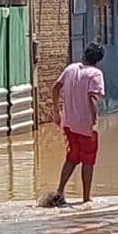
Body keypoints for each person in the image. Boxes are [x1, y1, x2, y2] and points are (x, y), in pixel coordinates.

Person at [49, 45, 106, 206]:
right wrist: (94, 124)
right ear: (98, 61)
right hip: (85, 125)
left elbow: (55, 88)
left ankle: (60, 191)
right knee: (88, 159)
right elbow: (92, 99)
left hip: (68, 124)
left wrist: (56, 111)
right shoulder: (95, 74)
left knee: (72, 157)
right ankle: (86, 198)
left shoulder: (70, 69)